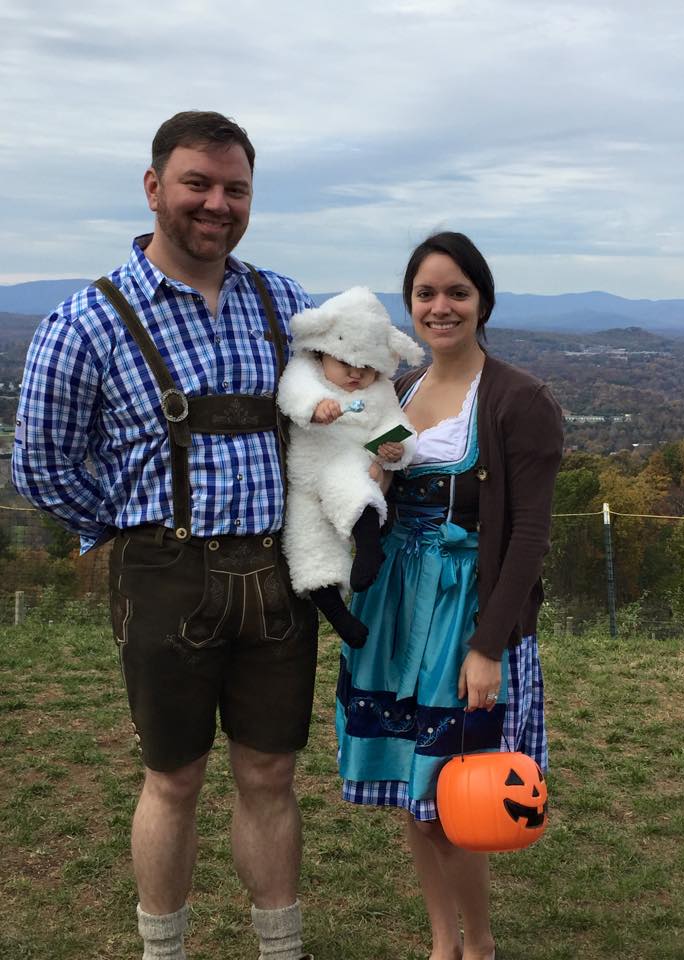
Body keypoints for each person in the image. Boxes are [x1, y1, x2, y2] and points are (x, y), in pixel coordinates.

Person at [13, 111, 318, 960]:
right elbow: (42, 463)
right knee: (173, 779)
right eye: (198, 184)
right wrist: (134, 528)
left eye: (235, 189)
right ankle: (164, 952)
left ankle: (280, 949)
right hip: (165, 574)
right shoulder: (87, 321)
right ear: (154, 188)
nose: (216, 204)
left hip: (277, 574)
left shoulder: (284, 302)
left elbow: (350, 407)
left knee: (270, 775)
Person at [335, 232, 564, 960]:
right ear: (410, 306)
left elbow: (527, 536)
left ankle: (483, 946)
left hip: (465, 614)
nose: (441, 306)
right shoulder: (396, 391)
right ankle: (442, 945)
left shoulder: (517, 400)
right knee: (416, 793)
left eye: (457, 292)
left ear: (483, 302)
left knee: (457, 798)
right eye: (426, 294)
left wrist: (488, 646)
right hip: (399, 611)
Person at [276, 286, 422, 648]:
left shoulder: (380, 391)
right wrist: (314, 406)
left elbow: (394, 423)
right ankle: (337, 614)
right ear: (325, 352)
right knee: (307, 545)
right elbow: (292, 394)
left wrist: (395, 448)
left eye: (367, 368)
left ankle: (368, 544)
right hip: (306, 476)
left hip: (347, 460)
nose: (356, 375)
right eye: (347, 364)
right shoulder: (306, 373)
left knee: (349, 484)